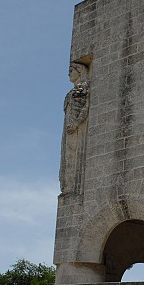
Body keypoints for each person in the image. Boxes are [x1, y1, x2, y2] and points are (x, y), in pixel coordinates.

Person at [59, 62, 90, 194]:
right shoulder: (74, 90)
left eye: (71, 71)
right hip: (68, 129)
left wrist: (76, 123)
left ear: (79, 71)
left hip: (74, 128)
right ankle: (67, 187)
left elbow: (84, 107)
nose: (69, 74)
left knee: (72, 155)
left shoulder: (81, 88)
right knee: (67, 158)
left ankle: (71, 188)